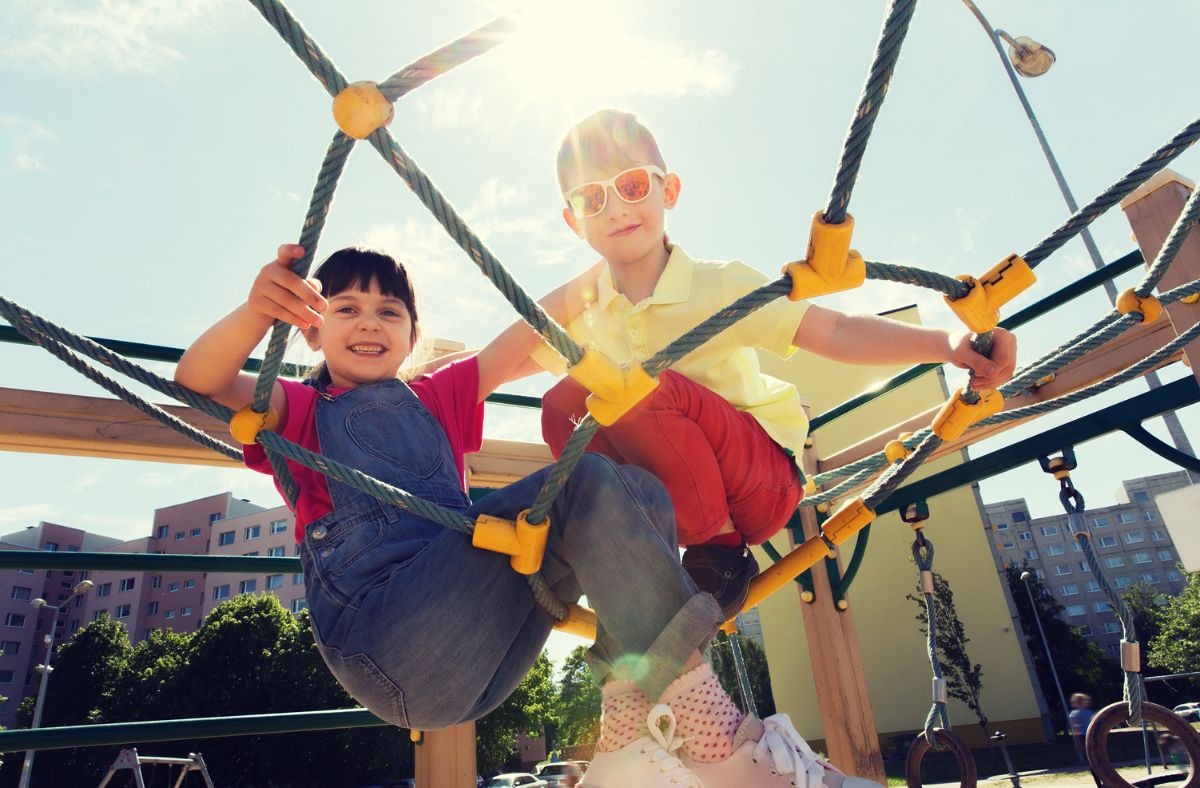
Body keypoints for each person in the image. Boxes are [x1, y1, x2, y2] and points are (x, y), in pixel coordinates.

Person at [175, 245, 880, 787]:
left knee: (639, 492)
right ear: (309, 328)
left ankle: (628, 734)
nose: (368, 323)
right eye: (347, 309)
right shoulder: (297, 411)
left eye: (389, 311)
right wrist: (253, 314)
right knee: (585, 481)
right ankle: (723, 745)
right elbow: (198, 382)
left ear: (414, 331)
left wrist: (614, 263)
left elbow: (521, 339)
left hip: (483, 651)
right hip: (386, 635)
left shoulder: (438, 399)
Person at [535, 109, 1018, 620]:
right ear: (573, 219)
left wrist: (948, 342)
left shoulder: (717, 285)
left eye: (631, 186)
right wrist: (443, 370)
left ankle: (720, 555)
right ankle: (613, 540)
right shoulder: (588, 308)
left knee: (646, 387)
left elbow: (833, 330)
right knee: (562, 402)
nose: (614, 210)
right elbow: (503, 358)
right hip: (677, 503)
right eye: (592, 198)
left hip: (758, 484)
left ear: (668, 191)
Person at [1068, 692, 1095, 763]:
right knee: (1082, 747)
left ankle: (1090, 759)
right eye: (1079, 701)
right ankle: (1083, 759)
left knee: (1090, 747)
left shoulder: (1089, 712)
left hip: (1088, 732)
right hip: (1081, 733)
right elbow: (1073, 725)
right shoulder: (1074, 713)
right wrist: (1075, 734)